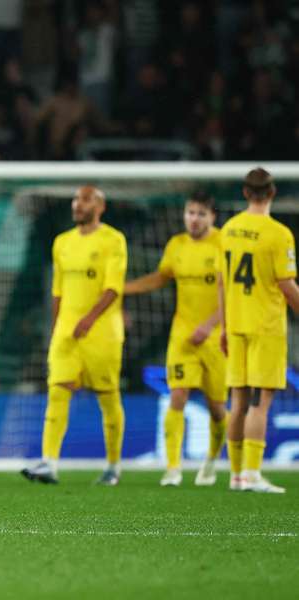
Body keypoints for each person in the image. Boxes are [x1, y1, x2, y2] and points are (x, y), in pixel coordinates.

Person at [22, 186, 127, 485]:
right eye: (76, 200)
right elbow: (57, 291)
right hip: (67, 333)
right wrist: (57, 329)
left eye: (85, 200)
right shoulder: (62, 242)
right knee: (57, 391)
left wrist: (90, 319)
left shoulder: (113, 240)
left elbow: (113, 288)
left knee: (107, 398)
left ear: (100, 206)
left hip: (102, 334)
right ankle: (49, 463)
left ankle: (113, 466)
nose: (78, 205)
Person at [124, 192, 228, 486]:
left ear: (212, 217)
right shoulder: (176, 245)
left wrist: (208, 326)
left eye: (200, 214)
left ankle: (210, 460)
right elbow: (161, 277)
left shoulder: (224, 244)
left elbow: (233, 294)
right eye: (190, 213)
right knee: (177, 396)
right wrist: (125, 288)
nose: (193, 219)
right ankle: (172, 468)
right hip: (182, 335)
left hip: (216, 337)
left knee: (217, 407)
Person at [220, 168, 299, 493]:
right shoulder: (278, 234)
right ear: (272, 192)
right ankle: (252, 474)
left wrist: (224, 326)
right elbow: (286, 285)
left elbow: (223, 282)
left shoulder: (228, 229)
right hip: (265, 326)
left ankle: (236, 475)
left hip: (236, 324)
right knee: (260, 403)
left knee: (238, 402)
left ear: (244, 192)